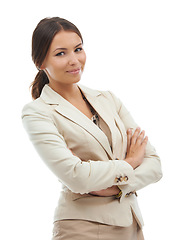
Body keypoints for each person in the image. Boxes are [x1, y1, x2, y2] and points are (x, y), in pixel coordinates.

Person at [22, 17, 162, 240]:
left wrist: (115, 187)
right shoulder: (38, 112)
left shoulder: (107, 99)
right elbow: (76, 177)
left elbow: (154, 164)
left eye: (78, 49)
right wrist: (131, 162)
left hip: (132, 226)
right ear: (40, 62)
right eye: (61, 53)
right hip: (82, 227)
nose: (74, 60)